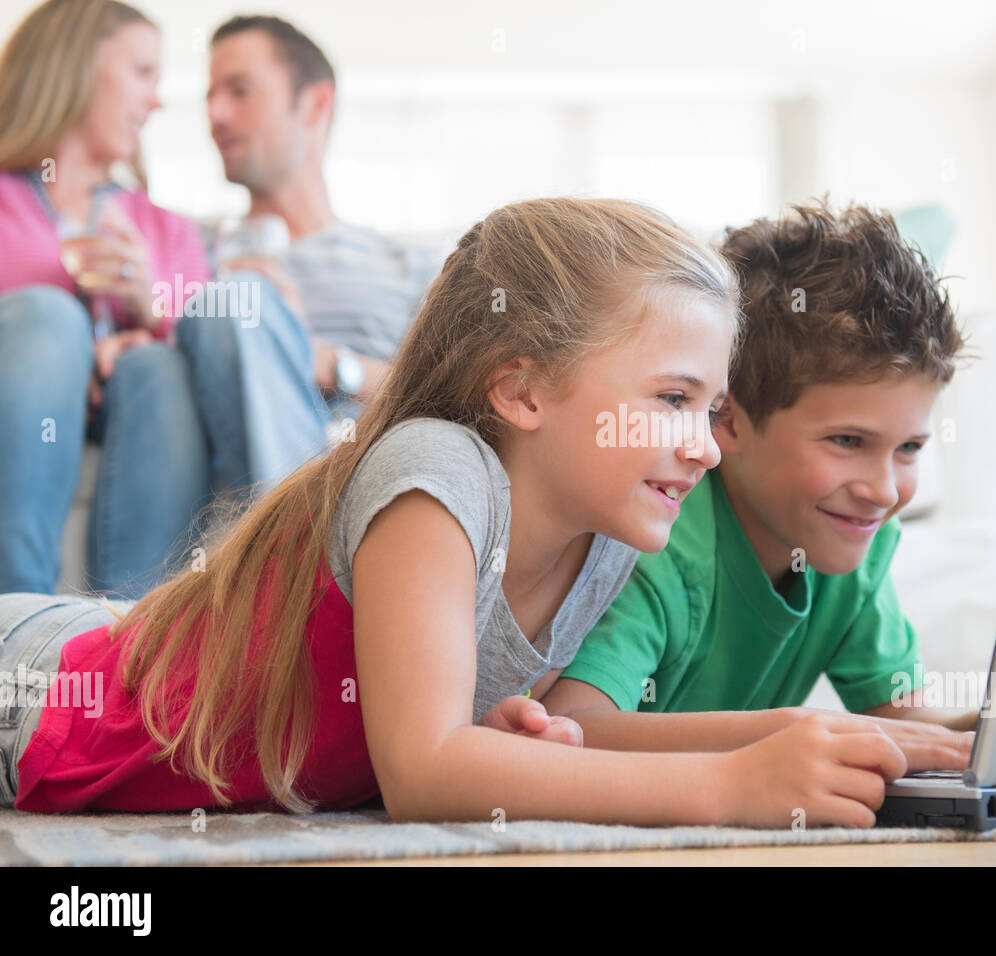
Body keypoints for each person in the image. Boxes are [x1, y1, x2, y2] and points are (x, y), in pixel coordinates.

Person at [1, 197, 944, 829]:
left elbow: (484, 737)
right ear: (522, 390)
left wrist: (809, 740)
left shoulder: (608, 539)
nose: (706, 444)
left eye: (711, 409)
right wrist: (733, 786)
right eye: (672, 400)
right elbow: (425, 773)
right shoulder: (437, 478)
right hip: (42, 697)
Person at [538, 200, 981, 749]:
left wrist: (983, 734)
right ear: (725, 419)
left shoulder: (854, 546)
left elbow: (910, 725)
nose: (884, 491)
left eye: (909, 447)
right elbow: (571, 726)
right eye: (848, 441)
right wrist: (788, 735)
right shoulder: (658, 548)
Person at [177, 14, 439, 496]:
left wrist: (331, 365)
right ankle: (290, 553)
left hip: (360, 469)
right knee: (240, 299)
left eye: (239, 91)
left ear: (316, 104)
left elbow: (447, 399)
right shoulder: (188, 248)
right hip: (227, 480)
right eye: (210, 96)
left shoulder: (407, 264)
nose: (215, 114)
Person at [0, 0, 210, 596]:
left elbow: (216, 357)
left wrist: (148, 312)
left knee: (161, 362)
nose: (157, 99)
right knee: (46, 319)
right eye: (142, 73)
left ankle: (131, 642)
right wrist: (66, 347)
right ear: (74, 67)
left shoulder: (167, 230)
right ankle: (17, 622)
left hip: (137, 412)